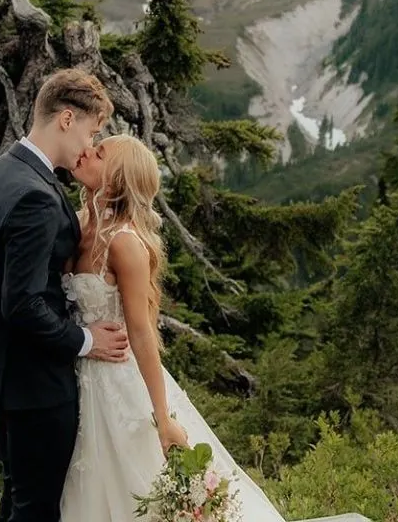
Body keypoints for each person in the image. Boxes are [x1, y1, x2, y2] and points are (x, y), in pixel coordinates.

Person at [59, 133, 288, 522]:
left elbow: (143, 332)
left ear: (115, 178)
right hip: (76, 376)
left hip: (118, 383)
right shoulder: (75, 224)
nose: (86, 152)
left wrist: (162, 417)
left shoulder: (125, 244)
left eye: (99, 153)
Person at [0, 68, 130, 522]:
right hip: (35, 384)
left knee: (16, 503)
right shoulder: (35, 196)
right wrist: (86, 340)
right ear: (66, 119)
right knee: (37, 511)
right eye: (91, 131)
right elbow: (21, 303)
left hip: (2, 376)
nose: (87, 146)